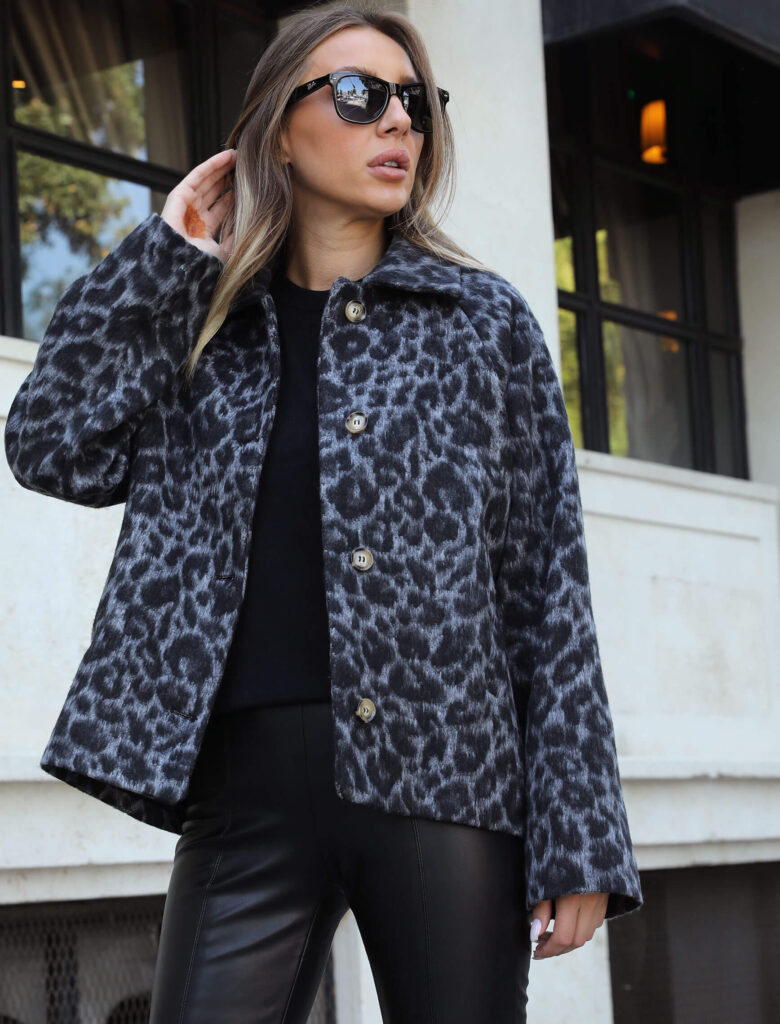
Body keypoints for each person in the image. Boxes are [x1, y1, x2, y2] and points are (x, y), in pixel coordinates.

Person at [4, 4, 643, 1022]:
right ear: (280, 130)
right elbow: (48, 445)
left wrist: (583, 835)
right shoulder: (203, 320)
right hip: (242, 796)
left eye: (415, 102)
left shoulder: (482, 324)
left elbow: (548, 588)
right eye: (359, 94)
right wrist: (163, 257)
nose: (397, 121)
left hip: (447, 781)